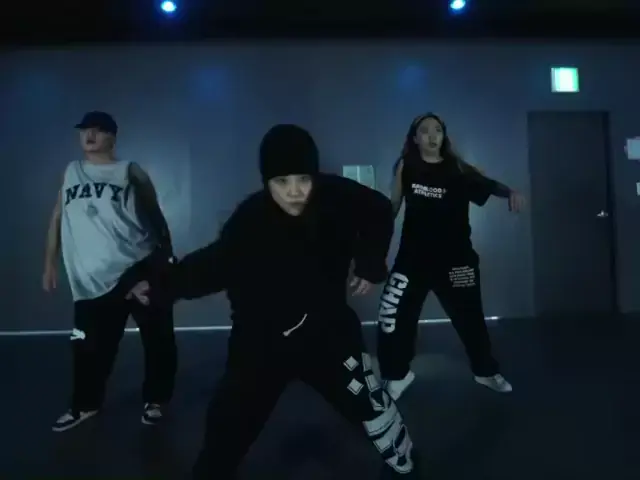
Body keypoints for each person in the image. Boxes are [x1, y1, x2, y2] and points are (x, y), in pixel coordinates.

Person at [130, 124, 422, 479]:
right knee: (227, 426)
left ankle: (406, 461)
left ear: (314, 176)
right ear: (267, 181)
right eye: (282, 182)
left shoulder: (337, 196)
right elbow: (211, 265)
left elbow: (378, 210)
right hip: (261, 342)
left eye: (303, 179)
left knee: (371, 407)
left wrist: (370, 262)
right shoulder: (249, 220)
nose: (295, 191)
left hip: (328, 335)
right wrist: (160, 287)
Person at [43, 111, 178, 432]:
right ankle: (85, 405)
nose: (89, 136)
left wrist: (165, 260)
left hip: (138, 266)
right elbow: (58, 216)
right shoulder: (71, 172)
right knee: (88, 347)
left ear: (112, 138)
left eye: (98, 130)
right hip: (92, 278)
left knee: (157, 338)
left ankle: (156, 400)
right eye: (84, 130)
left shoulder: (129, 170)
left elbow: (155, 215)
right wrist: (49, 262)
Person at [377, 113, 525, 401]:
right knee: (395, 315)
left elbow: (489, 184)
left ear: (443, 136)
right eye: (425, 130)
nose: (432, 135)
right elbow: (393, 204)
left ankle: (485, 371)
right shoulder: (406, 166)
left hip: (456, 259)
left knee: (470, 318)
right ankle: (397, 374)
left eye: (437, 130)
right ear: (415, 138)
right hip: (413, 258)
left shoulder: (457, 168)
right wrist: (375, 242)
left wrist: (511, 193)